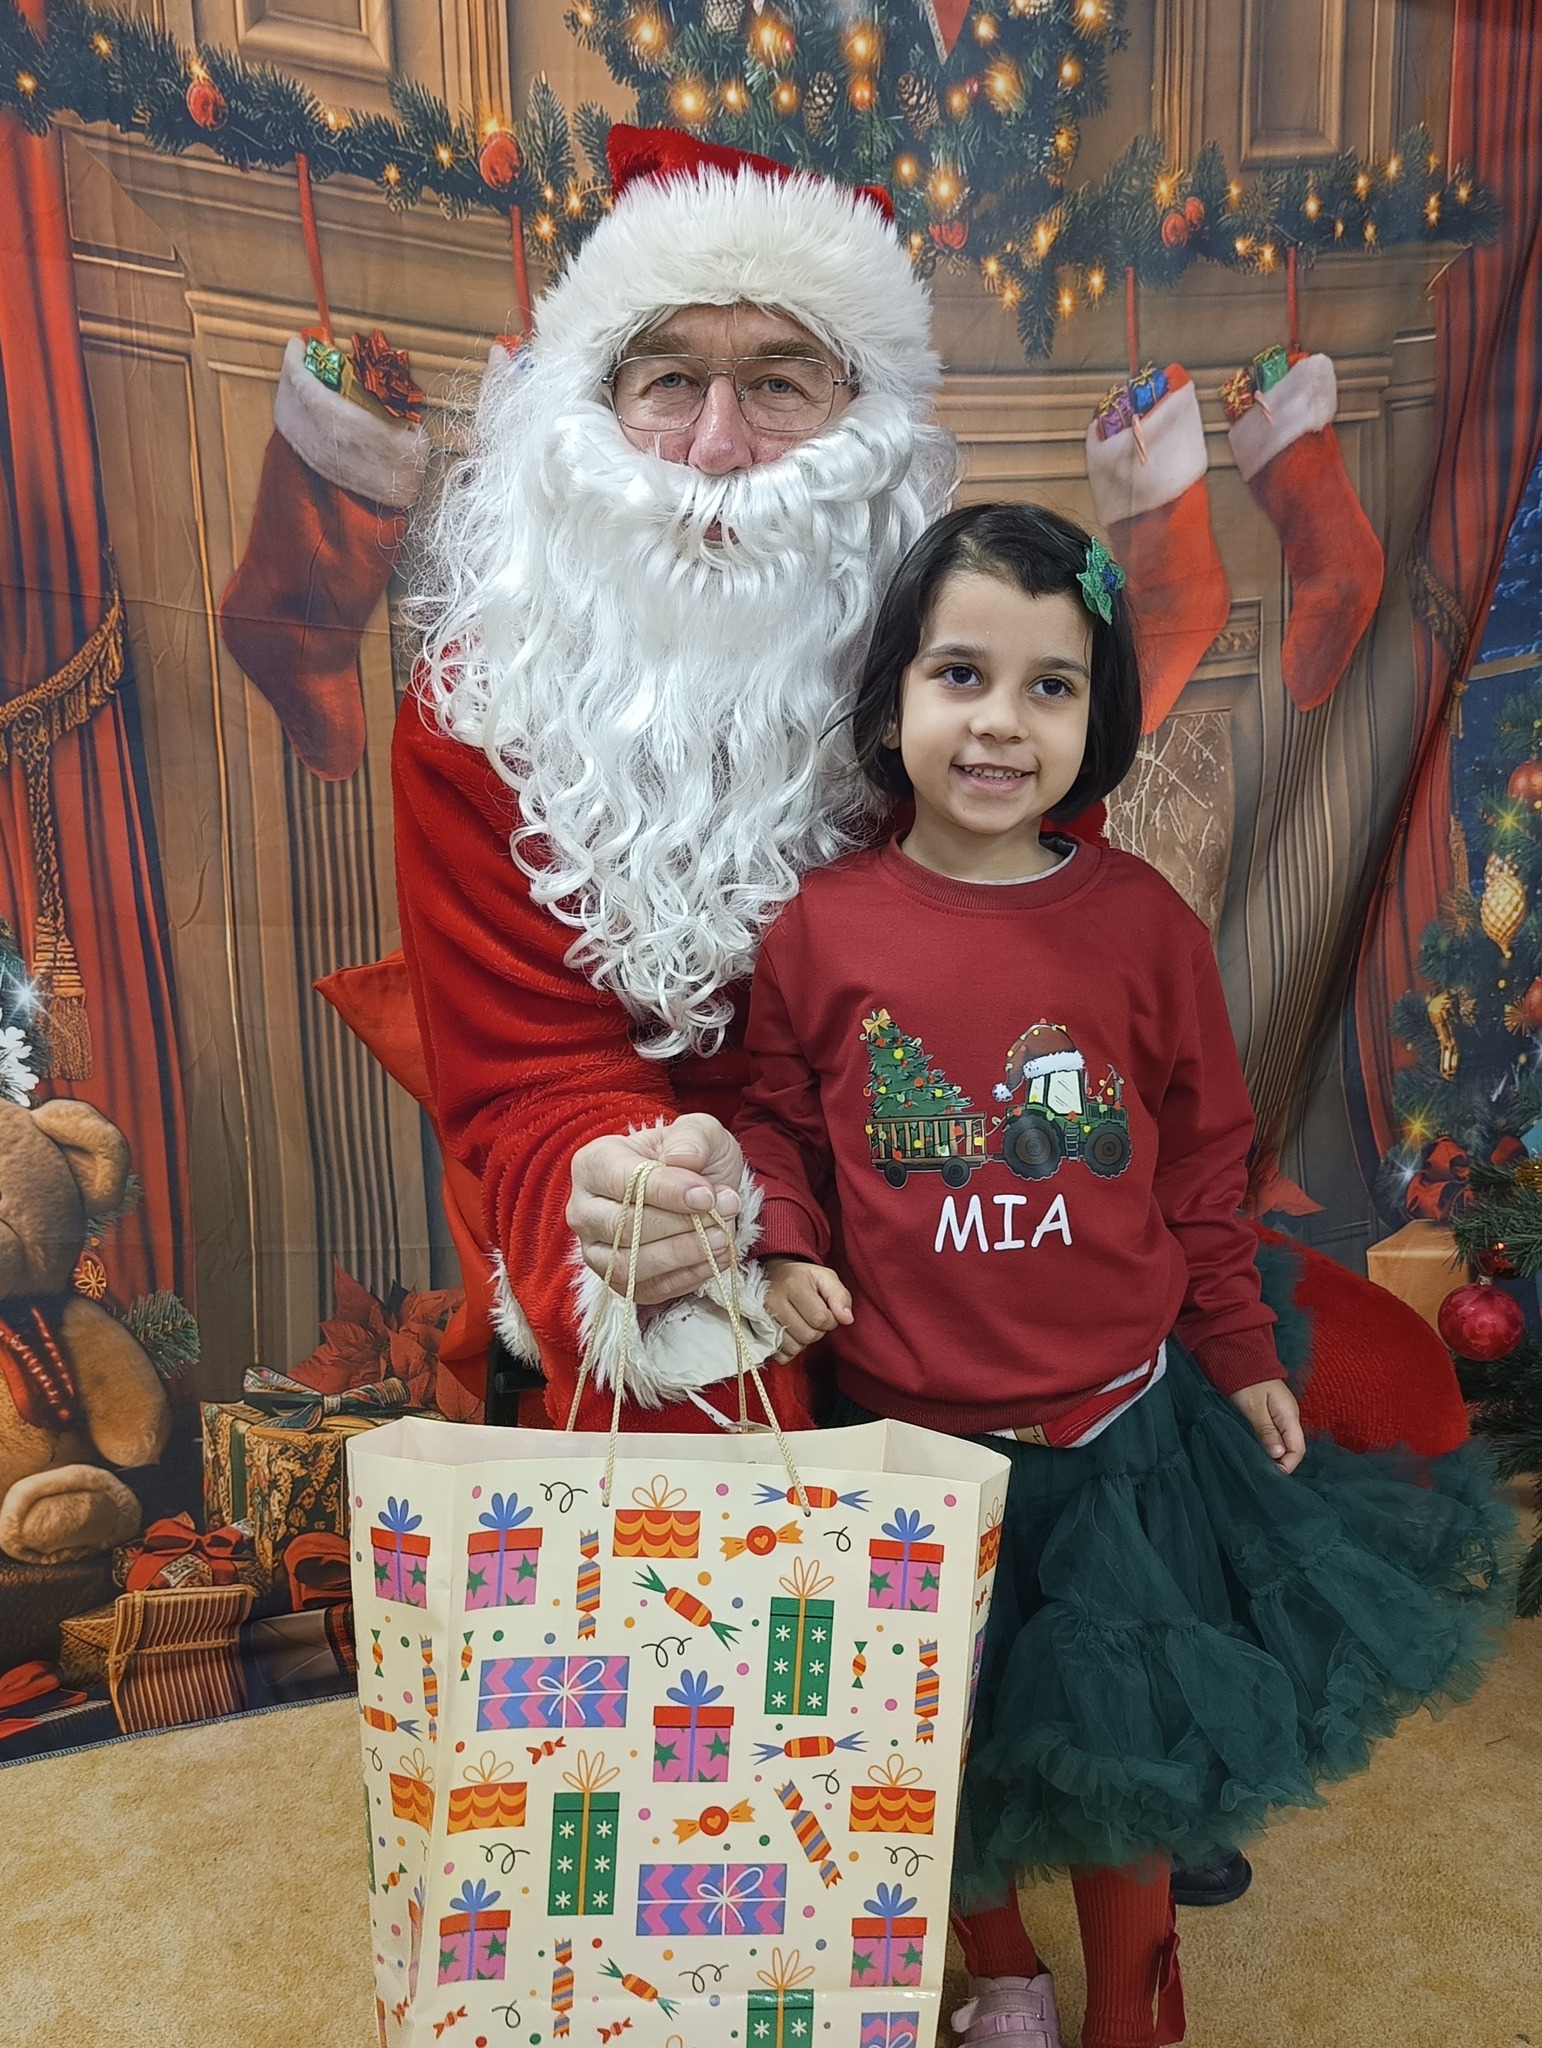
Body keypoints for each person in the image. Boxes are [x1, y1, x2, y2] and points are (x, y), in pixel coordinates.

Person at [730, 502, 1515, 2047]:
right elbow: (771, 1114)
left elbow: (1199, 1169)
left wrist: (1241, 1348)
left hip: (1112, 1438)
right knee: (938, 1744)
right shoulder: (822, 931)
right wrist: (785, 1237)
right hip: (912, 1446)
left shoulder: (1139, 927)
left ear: (1096, 721)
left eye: (1050, 685)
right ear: (891, 697)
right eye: (961, 674)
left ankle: (1129, 2002)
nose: (999, 723)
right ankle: (1004, 1977)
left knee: (1121, 1750)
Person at [395, 125, 957, 1435]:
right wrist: (623, 1185)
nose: (714, 448)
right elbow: (532, 1069)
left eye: (779, 383)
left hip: (914, 1160)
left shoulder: (957, 678)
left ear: (865, 417)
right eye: (667, 381)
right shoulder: (479, 708)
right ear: (589, 407)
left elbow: (1033, 963)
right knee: (701, 1412)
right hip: (639, 1169)